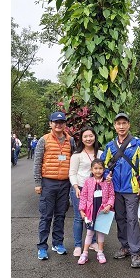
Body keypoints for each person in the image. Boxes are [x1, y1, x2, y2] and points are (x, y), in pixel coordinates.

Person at [100, 112, 140, 268]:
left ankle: (135, 252)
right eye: (118, 124)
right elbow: (104, 165)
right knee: (120, 218)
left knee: (132, 219)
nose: (121, 126)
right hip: (115, 189)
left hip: (132, 188)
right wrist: (106, 175)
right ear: (115, 126)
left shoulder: (137, 143)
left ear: (128, 125)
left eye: (124, 123)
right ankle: (125, 246)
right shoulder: (110, 146)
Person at [33, 112, 75, 260]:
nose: (58, 125)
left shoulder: (70, 140)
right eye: (55, 122)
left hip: (65, 183)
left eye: (61, 122)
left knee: (60, 215)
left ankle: (58, 243)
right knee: (46, 216)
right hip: (48, 183)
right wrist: (37, 183)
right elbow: (37, 162)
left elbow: (74, 160)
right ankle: (42, 247)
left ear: (65, 124)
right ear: (50, 123)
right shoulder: (44, 140)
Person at [69, 127, 102, 256]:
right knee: (79, 217)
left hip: (96, 190)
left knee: (93, 216)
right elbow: (72, 173)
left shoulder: (100, 154)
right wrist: (76, 187)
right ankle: (78, 245)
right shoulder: (77, 155)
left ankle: (92, 242)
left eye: (91, 136)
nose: (88, 139)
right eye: (85, 136)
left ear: (95, 137)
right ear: (81, 139)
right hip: (80, 188)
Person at [77, 159, 115, 265]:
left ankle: (100, 252)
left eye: (100, 168)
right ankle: (84, 253)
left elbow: (112, 195)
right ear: (91, 169)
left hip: (103, 211)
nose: (98, 171)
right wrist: (82, 210)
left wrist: (109, 205)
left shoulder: (108, 182)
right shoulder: (88, 181)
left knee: (101, 232)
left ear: (104, 169)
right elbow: (83, 196)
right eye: (96, 168)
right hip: (91, 211)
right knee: (89, 232)